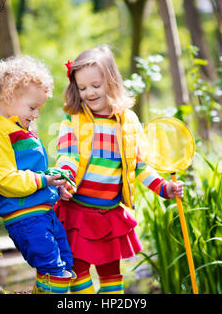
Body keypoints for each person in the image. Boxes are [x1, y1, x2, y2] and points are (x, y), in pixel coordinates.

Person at [54, 45, 184, 294]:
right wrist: (64, 180)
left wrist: (164, 188)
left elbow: (139, 166)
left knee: (112, 274)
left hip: (109, 214)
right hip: (77, 212)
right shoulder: (74, 119)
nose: (89, 93)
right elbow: (67, 156)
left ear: (111, 82)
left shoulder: (129, 123)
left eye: (95, 85)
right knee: (76, 270)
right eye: (82, 88)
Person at [0, 55, 75, 294]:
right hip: (26, 217)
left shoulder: (21, 130)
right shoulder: (2, 131)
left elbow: (32, 172)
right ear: (8, 97)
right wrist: (42, 180)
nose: (36, 115)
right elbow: (4, 179)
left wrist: (53, 182)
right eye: (32, 107)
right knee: (53, 269)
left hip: (43, 213)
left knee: (66, 263)